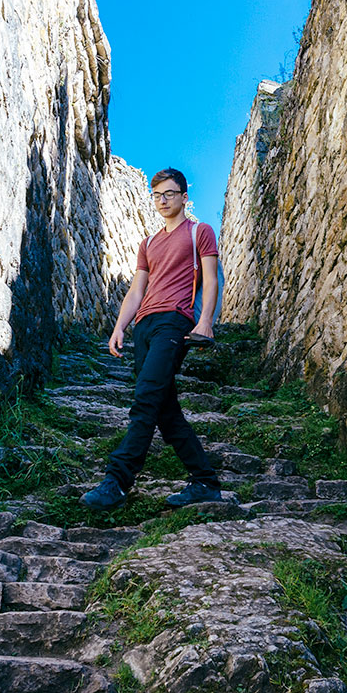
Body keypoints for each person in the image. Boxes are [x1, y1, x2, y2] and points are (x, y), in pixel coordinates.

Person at [80, 168, 223, 511]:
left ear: (185, 197)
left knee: (146, 399)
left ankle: (117, 481)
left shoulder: (199, 232)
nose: (162, 200)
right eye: (157, 194)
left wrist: (204, 322)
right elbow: (135, 290)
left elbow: (210, 279)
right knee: (165, 410)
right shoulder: (148, 243)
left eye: (170, 194)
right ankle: (204, 481)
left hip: (174, 322)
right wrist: (119, 327)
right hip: (143, 327)